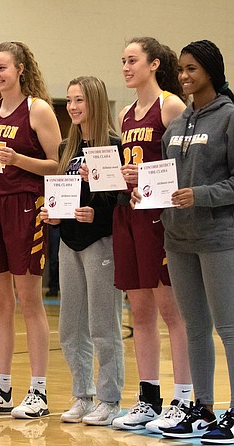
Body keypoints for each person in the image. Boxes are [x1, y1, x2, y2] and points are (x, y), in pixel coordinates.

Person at [130, 40, 234, 444]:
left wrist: (202, 194)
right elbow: (163, 179)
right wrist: (143, 192)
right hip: (178, 237)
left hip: (218, 236)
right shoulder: (176, 126)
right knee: (194, 327)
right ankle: (203, 407)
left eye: (192, 69)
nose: (185, 77)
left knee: (228, 327)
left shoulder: (228, 118)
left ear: (211, 70)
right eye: (182, 70)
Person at [0, 41, 61, 418]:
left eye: (1, 68)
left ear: (20, 69)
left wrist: (18, 158)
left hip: (24, 204)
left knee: (30, 301)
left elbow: (57, 164)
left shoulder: (38, 109)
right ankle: (1, 386)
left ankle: (39, 391)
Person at [101, 37, 194, 431]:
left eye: (133, 60)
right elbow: (129, 167)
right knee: (138, 310)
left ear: (155, 64)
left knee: (171, 310)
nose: (125, 67)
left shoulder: (170, 105)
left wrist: (148, 177)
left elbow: (187, 164)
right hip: (129, 214)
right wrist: (108, 174)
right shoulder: (124, 113)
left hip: (160, 216)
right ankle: (149, 397)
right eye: (122, 60)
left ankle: (185, 396)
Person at [40, 76, 124, 426]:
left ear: (96, 103)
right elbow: (63, 193)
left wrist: (98, 214)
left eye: (80, 101)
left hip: (100, 241)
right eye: (70, 101)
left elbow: (120, 202)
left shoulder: (115, 147)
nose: (73, 107)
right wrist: (52, 215)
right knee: (70, 328)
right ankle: (82, 396)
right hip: (69, 242)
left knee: (103, 324)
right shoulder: (65, 148)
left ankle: (110, 399)